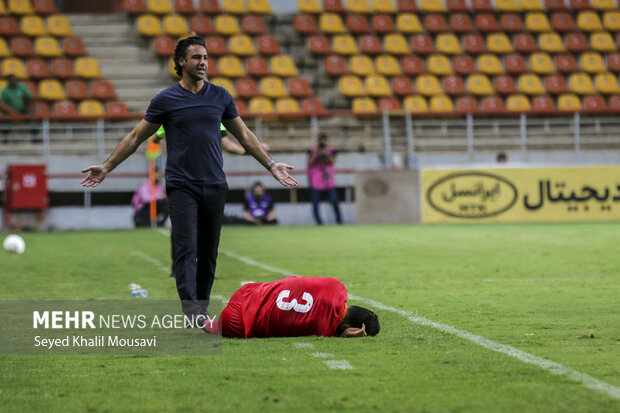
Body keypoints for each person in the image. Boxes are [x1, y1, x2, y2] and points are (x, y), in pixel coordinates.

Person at [81, 36, 298, 322]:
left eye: (206, 57)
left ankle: (202, 307)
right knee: (186, 248)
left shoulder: (220, 96)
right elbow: (135, 137)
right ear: (181, 62)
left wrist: (271, 165)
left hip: (215, 185)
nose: (203, 62)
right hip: (181, 185)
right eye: (196, 57)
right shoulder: (165, 100)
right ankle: (192, 310)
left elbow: (243, 135)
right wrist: (107, 167)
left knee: (208, 252)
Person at [212, 276, 380, 338]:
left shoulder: (336, 286)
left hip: (251, 290)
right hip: (237, 322)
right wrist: (343, 333)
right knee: (208, 327)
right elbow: (332, 325)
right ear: (348, 327)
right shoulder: (324, 330)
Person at [307, 134, 342, 225]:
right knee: (315, 204)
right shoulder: (312, 150)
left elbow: (333, 161)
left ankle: (339, 222)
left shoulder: (331, 150)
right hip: (315, 181)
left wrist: (326, 153)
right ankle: (319, 223)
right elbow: (310, 162)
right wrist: (317, 152)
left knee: (334, 202)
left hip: (328, 181)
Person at [1, 75, 33, 143]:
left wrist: (29, 107)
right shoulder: (5, 91)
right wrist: (10, 112)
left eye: (14, 80)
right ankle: (5, 141)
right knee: (5, 122)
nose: (13, 82)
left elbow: (29, 97)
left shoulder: (22, 87)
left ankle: (36, 140)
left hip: (22, 110)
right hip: (10, 112)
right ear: (8, 81)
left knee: (33, 120)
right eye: (11, 80)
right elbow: (3, 105)